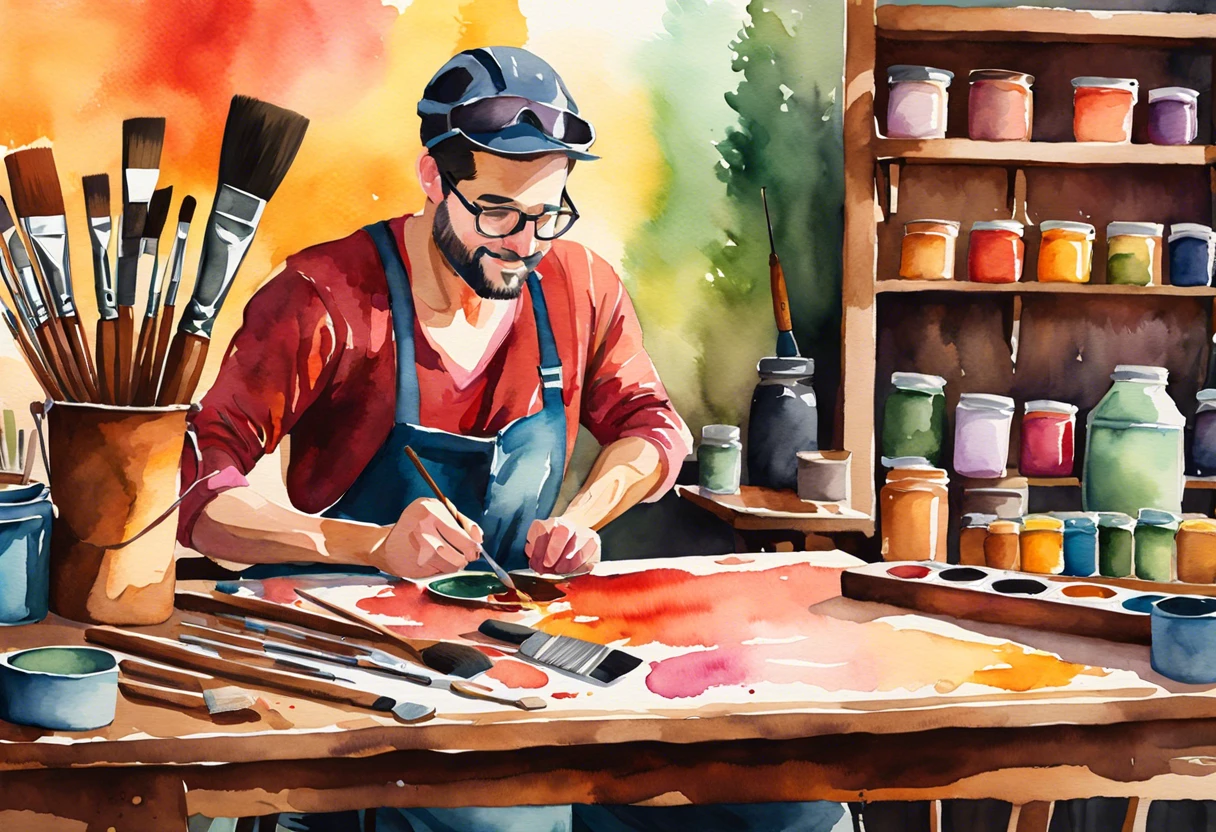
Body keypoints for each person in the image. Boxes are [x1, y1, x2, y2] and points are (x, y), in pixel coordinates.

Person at [182, 46, 842, 832]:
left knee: (795, 808)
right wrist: (368, 544)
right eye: (498, 212)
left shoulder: (579, 286)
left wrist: (586, 514)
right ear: (434, 180)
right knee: (505, 823)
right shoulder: (325, 297)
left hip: (524, 651)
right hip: (370, 669)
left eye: (547, 214)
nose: (525, 242)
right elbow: (197, 493)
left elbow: (651, 428)